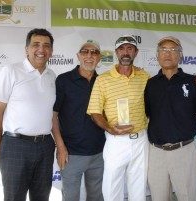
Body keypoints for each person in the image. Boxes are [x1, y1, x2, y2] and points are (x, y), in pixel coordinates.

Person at [0, 28, 61, 201]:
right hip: (15, 146)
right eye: (36, 44)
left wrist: (59, 145)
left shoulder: (52, 76)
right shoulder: (11, 71)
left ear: (51, 51)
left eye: (46, 46)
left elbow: (52, 114)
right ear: (26, 49)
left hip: (45, 146)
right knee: (14, 197)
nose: (41, 49)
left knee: (41, 197)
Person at [144, 36, 196, 201]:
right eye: (163, 50)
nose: (167, 54)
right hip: (156, 153)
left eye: (173, 50)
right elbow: (145, 115)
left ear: (180, 55)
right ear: (157, 55)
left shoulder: (192, 82)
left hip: (184, 151)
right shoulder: (150, 84)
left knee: (188, 197)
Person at [87, 35, 150, 201]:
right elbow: (95, 112)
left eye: (130, 48)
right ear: (116, 52)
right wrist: (109, 128)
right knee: (112, 188)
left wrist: (195, 82)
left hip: (141, 140)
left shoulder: (145, 77)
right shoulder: (103, 79)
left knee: (138, 188)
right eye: (122, 49)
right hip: (116, 141)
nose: (126, 52)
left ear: (136, 52)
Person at [52, 40, 105, 201]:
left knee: (96, 197)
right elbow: (53, 115)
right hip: (71, 154)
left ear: (99, 58)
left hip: (99, 153)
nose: (89, 56)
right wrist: (60, 147)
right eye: (85, 51)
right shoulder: (63, 80)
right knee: (71, 197)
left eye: (94, 52)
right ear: (78, 56)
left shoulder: (104, 81)